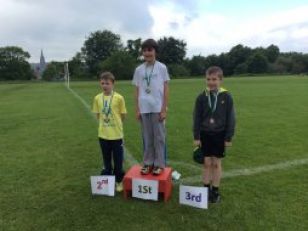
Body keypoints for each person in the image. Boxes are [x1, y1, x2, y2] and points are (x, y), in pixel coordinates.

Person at [193, 66, 235, 203]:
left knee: (216, 163)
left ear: (221, 80)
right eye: (208, 79)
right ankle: (205, 190)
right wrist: (196, 136)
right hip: (205, 134)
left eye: (214, 79)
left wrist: (228, 137)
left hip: (219, 135)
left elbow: (231, 118)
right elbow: (197, 118)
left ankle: (215, 191)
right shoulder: (201, 97)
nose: (211, 82)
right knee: (206, 163)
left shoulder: (227, 96)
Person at [132, 38, 170, 175]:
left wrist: (164, 109)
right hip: (144, 108)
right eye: (145, 50)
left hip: (157, 108)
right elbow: (136, 90)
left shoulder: (162, 67)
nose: (147, 53)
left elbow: (166, 89)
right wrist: (137, 109)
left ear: (155, 52)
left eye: (150, 50)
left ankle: (159, 164)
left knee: (159, 138)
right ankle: (148, 163)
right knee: (147, 137)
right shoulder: (139, 70)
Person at [92, 72, 127, 192]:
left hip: (116, 135)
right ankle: (107, 180)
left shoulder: (119, 97)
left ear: (113, 84)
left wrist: (115, 125)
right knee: (106, 160)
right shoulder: (97, 98)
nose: (104, 86)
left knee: (118, 161)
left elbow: (123, 115)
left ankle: (119, 180)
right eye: (102, 83)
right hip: (103, 135)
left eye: (107, 83)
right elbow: (97, 115)